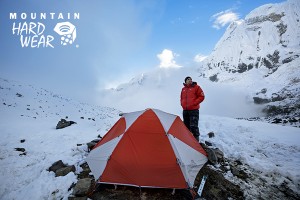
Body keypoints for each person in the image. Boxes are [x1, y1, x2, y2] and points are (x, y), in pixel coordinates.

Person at [180, 76, 205, 141]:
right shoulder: (183, 89)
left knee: (194, 126)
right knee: (186, 126)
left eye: (191, 79)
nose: (190, 80)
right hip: (185, 110)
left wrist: (194, 103)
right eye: (188, 79)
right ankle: (188, 141)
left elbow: (202, 96)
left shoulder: (196, 87)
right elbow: (181, 98)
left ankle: (196, 141)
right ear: (185, 81)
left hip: (193, 110)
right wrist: (182, 104)